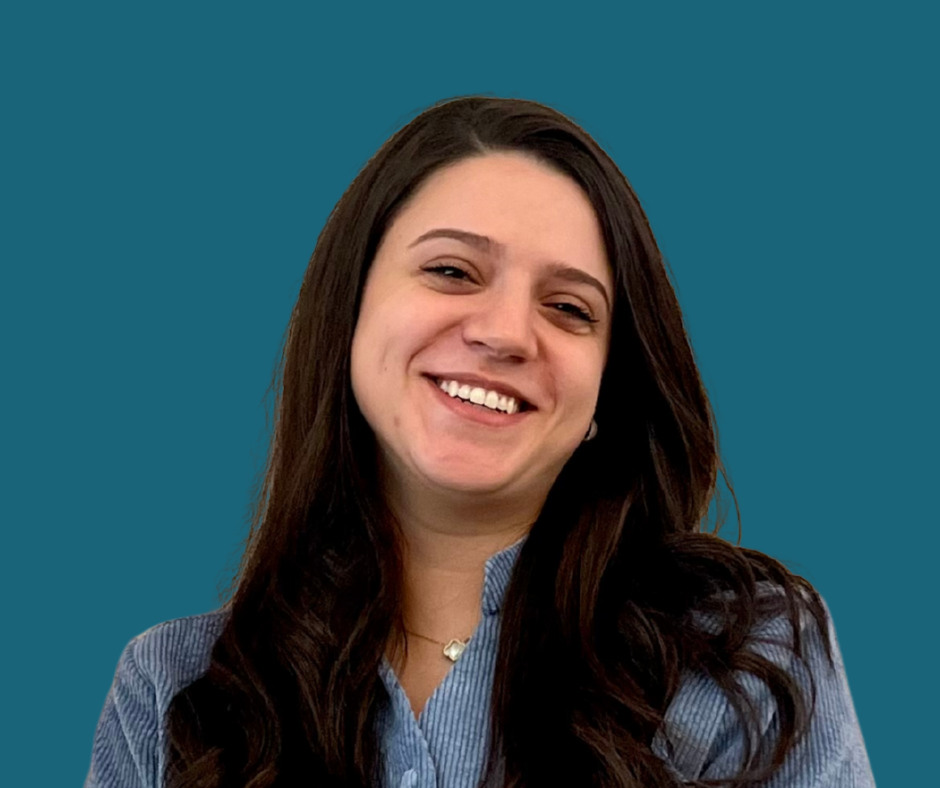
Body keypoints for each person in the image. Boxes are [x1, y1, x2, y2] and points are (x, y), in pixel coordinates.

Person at [84, 96, 875, 788]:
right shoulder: (172, 691)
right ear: (351, 309)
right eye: (454, 271)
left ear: (608, 389)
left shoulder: (747, 657)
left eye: (570, 308)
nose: (503, 333)